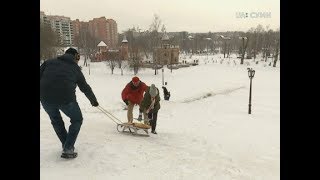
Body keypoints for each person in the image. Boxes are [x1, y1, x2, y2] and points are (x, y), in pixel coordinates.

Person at [40, 47, 99, 158]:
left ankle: (66, 146)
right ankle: (68, 148)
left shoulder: (48, 62)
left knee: (56, 121)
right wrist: (93, 101)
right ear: (75, 56)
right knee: (77, 119)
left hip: (45, 99)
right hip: (66, 99)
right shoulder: (75, 68)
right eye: (78, 58)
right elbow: (84, 87)